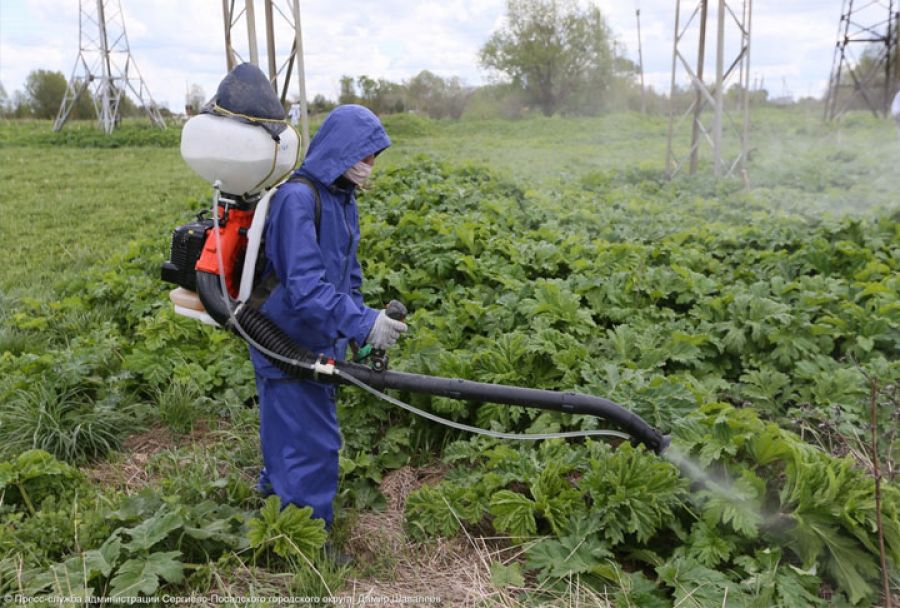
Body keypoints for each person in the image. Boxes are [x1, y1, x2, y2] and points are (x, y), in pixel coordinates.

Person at [249, 104, 407, 527]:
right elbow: (305, 288)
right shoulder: (297, 199)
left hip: (316, 337)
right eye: (366, 155)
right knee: (313, 445)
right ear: (343, 150)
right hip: (287, 339)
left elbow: (346, 273)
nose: (370, 166)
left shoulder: (341, 198)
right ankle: (306, 540)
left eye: (375, 157)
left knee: (289, 430)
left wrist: (362, 327)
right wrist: (361, 320)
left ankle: (274, 503)